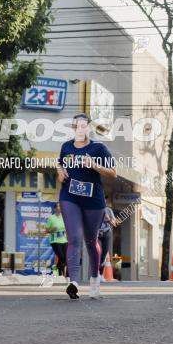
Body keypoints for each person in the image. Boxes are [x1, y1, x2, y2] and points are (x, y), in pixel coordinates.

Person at [56, 114, 117, 300]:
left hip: (93, 200)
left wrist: (94, 165)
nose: (79, 129)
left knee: (91, 242)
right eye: (76, 126)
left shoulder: (98, 148)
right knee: (74, 238)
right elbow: (59, 163)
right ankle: (72, 282)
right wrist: (59, 171)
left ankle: (95, 278)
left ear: (88, 128)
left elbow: (113, 173)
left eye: (83, 126)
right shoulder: (66, 147)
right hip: (70, 196)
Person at [45, 203, 67, 278]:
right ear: (55, 209)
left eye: (61, 206)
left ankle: (58, 271)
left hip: (64, 240)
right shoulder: (51, 218)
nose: (60, 207)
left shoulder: (64, 217)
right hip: (55, 240)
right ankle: (59, 272)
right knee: (61, 256)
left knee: (65, 258)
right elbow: (47, 230)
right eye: (58, 206)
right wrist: (52, 229)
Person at [98, 205, 116, 280]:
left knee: (104, 254)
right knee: (95, 253)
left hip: (106, 233)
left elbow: (114, 223)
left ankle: (101, 274)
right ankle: (96, 274)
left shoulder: (108, 210)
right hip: (97, 233)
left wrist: (109, 219)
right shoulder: (95, 209)